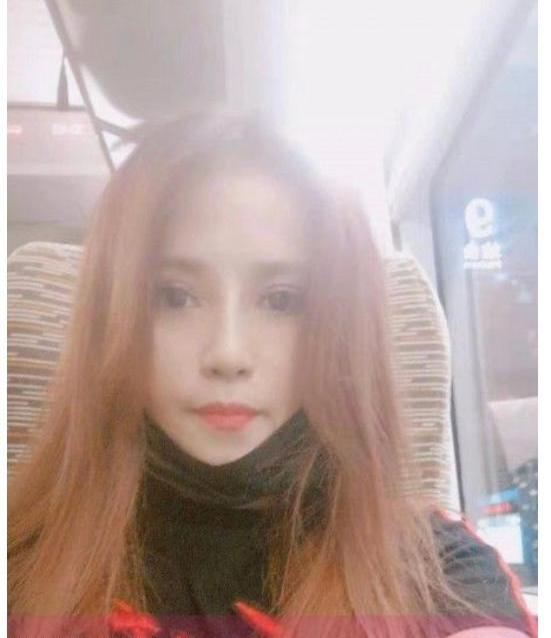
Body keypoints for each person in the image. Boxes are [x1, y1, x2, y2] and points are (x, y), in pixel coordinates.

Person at [7, 114, 536, 638]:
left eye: (282, 301)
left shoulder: (438, 571)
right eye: (175, 296)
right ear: (112, 319)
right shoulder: (20, 565)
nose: (227, 354)